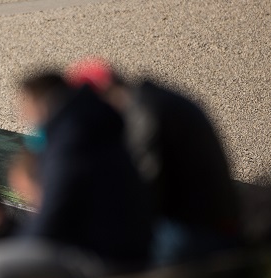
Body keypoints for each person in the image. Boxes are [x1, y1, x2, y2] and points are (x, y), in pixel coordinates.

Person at [0, 71, 153, 278]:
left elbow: (49, 221)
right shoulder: (94, 125)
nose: (22, 116)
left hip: (108, 258)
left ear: (40, 103)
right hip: (126, 245)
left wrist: (14, 242)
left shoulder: (69, 140)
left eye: (24, 107)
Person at [66, 58, 241, 265]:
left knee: (102, 255)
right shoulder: (151, 100)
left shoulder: (144, 114)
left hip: (196, 232)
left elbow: (144, 189)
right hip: (209, 220)